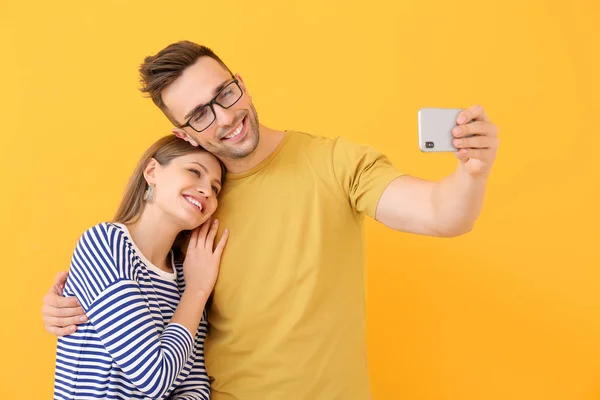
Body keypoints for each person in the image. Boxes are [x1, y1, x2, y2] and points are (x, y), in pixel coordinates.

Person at [43, 41, 499, 399]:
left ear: (240, 82)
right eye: (201, 114)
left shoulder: (334, 162)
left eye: (224, 93)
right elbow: (144, 301)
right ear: (184, 134)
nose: (225, 117)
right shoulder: (189, 206)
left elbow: (443, 215)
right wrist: (72, 312)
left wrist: (471, 171)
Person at [52, 135, 229, 399]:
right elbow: (154, 377)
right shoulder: (105, 243)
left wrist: (193, 289)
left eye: (215, 188)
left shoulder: (185, 275)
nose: (206, 191)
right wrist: (197, 292)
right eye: (195, 172)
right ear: (152, 172)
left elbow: (194, 389)